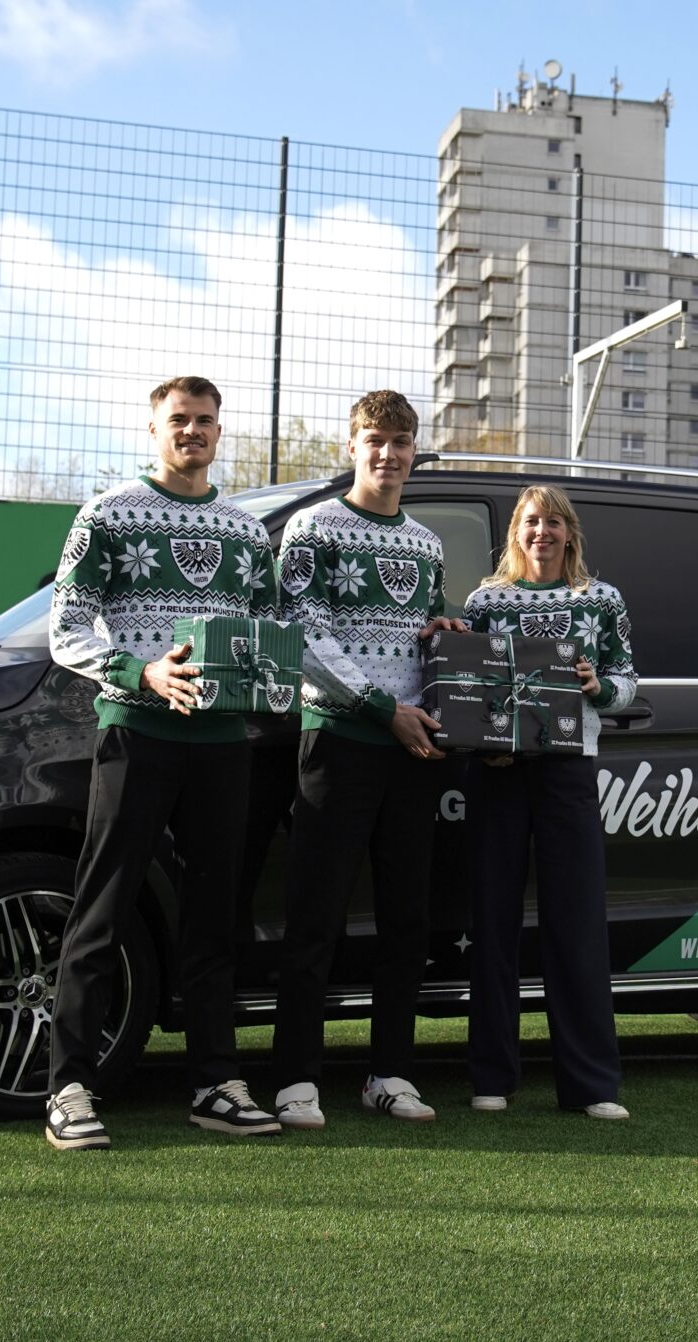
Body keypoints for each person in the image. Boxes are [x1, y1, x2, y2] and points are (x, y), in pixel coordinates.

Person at [41, 375, 281, 1149]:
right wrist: (141, 672)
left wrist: (266, 683)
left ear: (220, 432)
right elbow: (68, 627)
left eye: (206, 421)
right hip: (135, 735)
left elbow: (270, 631)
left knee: (215, 917)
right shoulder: (108, 515)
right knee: (103, 907)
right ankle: (70, 1085)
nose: (193, 432)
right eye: (179, 420)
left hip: (221, 746)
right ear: (153, 429)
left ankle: (215, 1081)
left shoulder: (248, 534)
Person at [269, 389, 456, 1128]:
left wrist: (442, 630)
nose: (389, 454)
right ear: (353, 446)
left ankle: (391, 1074)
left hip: (413, 750)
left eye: (402, 442)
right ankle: (294, 1079)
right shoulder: (313, 528)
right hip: (341, 741)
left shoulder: (427, 543)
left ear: (415, 450)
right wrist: (384, 710)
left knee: (407, 920)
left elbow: (427, 632)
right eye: (375, 440)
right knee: (315, 916)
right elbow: (305, 637)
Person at [461, 485, 638, 1122]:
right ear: (516, 532)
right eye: (532, 522)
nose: (543, 533)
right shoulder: (486, 602)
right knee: (493, 923)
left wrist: (599, 685)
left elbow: (627, 679)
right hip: (499, 775)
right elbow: (469, 687)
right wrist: (486, 743)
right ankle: (491, 1077)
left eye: (554, 523)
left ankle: (592, 1086)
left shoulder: (599, 600)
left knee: (576, 926)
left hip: (569, 771)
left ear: (571, 533)